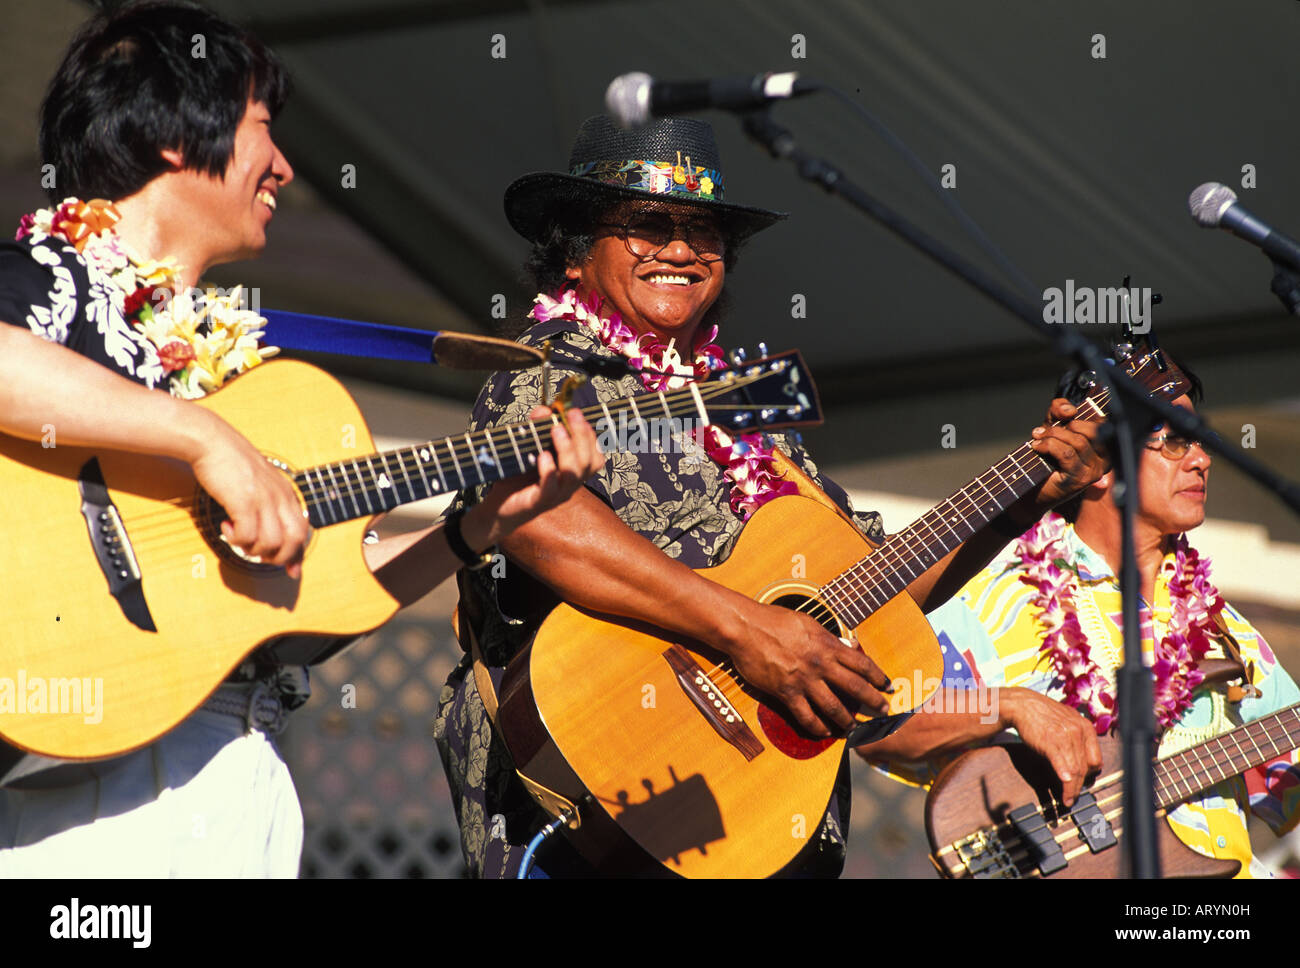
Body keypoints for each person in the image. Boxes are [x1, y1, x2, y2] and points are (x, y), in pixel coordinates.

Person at [0, 1, 601, 877]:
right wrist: (204, 439)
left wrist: (477, 529)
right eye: (262, 128)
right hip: (88, 794)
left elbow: (315, 608)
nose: (283, 165)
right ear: (175, 132)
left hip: (238, 775)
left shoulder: (233, 365)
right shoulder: (53, 280)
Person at [435, 114, 1110, 877]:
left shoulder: (756, 422)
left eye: (705, 233)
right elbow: (538, 519)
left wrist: (1021, 500)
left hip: (764, 819)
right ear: (575, 246)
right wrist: (749, 634)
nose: (683, 250)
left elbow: (877, 590)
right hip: (590, 805)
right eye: (648, 224)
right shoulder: (544, 372)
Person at [859, 369, 1300, 877]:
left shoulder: (1228, 633)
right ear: (1101, 463)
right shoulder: (999, 598)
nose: (1202, 459)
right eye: (1175, 441)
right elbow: (878, 725)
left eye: (1203, 443)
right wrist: (1010, 705)